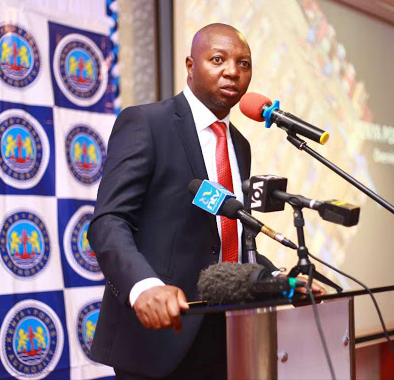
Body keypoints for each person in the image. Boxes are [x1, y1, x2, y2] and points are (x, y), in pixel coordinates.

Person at [88, 23, 325, 380]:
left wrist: (279, 279)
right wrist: (143, 287)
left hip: (228, 334)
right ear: (189, 65)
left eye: (244, 63)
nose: (233, 71)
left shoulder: (240, 145)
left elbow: (229, 242)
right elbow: (108, 222)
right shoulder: (147, 123)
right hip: (161, 337)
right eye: (218, 59)